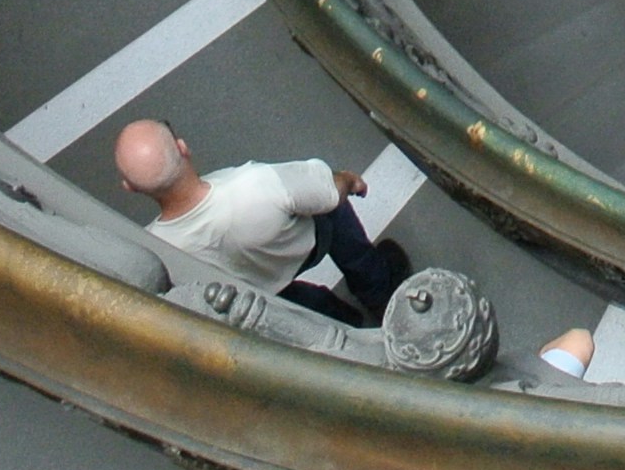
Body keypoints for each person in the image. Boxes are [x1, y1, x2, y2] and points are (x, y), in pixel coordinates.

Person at [112, 119, 407, 327]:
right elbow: (328, 191)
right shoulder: (255, 183)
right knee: (332, 211)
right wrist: (347, 179)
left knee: (305, 313)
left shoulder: (153, 250)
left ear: (130, 187)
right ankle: (378, 290)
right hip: (307, 246)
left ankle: (346, 326)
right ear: (182, 147)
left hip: (257, 299)